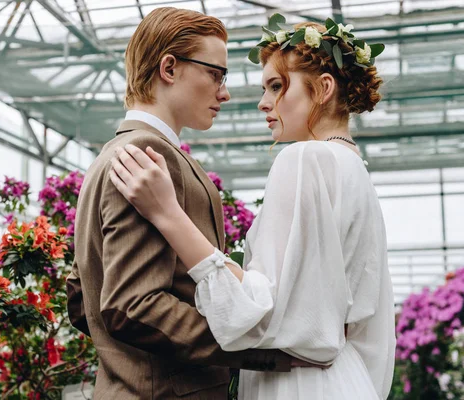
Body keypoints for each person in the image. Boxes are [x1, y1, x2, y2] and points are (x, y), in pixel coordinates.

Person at [109, 17, 396, 400]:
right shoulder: (354, 171)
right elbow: (367, 329)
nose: (263, 103)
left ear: (324, 88)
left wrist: (167, 213)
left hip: (296, 384)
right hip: (343, 379)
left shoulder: (305, 160)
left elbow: (256, 310)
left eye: (277, 86)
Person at [66, 8, 307, 400]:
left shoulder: (109, 155)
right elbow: (133, 305)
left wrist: (125, 364)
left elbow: (82, 299)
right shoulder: (148, 154)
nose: (224, 92)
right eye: (216, 73)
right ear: (169, 68)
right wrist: (261, 348)